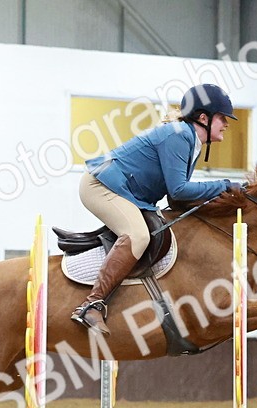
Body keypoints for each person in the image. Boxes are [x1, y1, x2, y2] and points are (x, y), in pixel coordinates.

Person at [71, 83, 246, 334]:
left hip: (123, 192)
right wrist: (224, 185)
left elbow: (176, 203)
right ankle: (91, 305)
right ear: (203, 118)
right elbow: (179, 191)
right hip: (100, 185)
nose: (227, 124)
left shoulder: (190, 140)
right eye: (222, 118)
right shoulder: (179, 135)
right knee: (138, 236)